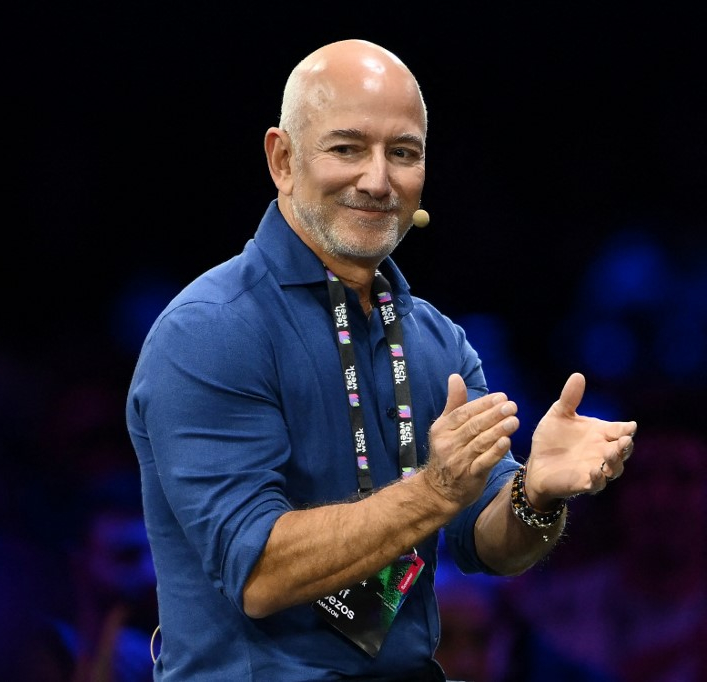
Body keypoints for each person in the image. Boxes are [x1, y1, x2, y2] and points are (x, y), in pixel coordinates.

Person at [125, 38, 638, 681]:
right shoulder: (210, 331)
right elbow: (258, 572)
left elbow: (488, 543)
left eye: (402, 153)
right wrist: (435, 491)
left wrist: (534, 495)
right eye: (346, 148)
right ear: (283, 160)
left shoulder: (438, 341)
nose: (377, 180)